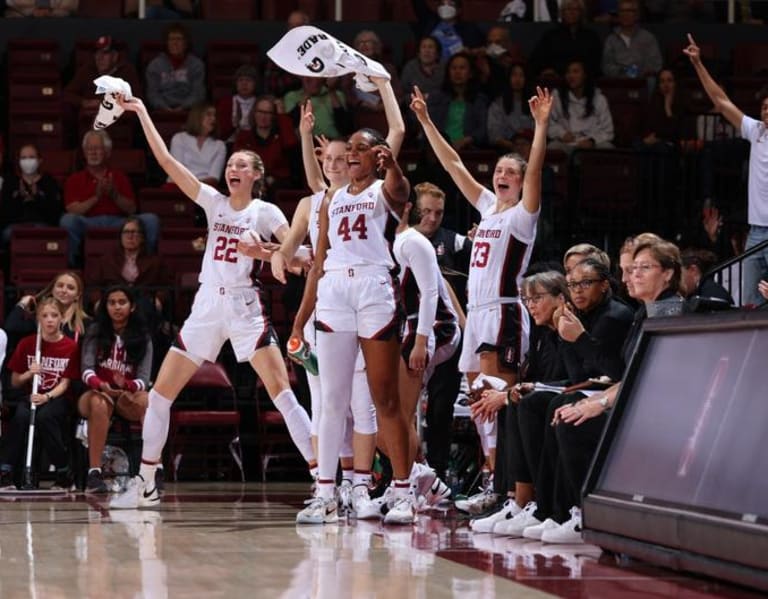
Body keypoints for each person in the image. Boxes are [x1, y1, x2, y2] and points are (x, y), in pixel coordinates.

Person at [108, 93, 315, 509]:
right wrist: (143, 110)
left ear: (257, 174)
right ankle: (146, 480)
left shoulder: (266, 211)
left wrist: (267, 253)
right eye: (231, 163)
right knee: (161, 394)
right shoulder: (213, 202)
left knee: (282, 394)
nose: (233, 168)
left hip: (244, 307)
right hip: (206, 306)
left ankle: (324, 481)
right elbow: (167, 162)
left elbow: (302, 257)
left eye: (242, 164)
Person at [411, 83, 553, 511]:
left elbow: (535, 173)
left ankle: (517, 493)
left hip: (506, 314)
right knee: (479, 406)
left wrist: (541, 124)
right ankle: (495, 484)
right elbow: (453, 165)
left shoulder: (523, 216)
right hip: (476, 315)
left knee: (501, 402)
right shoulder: (489, 207)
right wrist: (425, 120)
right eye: (499, 171)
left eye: (512, 172)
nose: (503, 176)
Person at [287, 79, 414, 525]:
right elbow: (318, 263)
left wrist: (392, 162)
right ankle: (326, 493)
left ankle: (402, 490)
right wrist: (300, 321)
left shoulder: (386, 188)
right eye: (349, 150)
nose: (353, 155)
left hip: (375, 288)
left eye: (362, 149)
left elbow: (402, 191)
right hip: (334, 291)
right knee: (331, 400)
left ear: (376, 156)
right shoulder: (330, 198)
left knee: (384, 399)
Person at [545, 239, 683, 543]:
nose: (632, 276)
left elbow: (651, 378)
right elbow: (633, 373)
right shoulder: (644, 313)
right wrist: (596, 399)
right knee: (566, 409)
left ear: (669, 274)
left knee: (573, 420)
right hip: (637, 406)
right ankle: (558, 512)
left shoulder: (670, 313)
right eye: (630, 269)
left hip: (659, 419)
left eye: (643, 268)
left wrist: (600, 402)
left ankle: (585, 515)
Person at [468, 269, 569, 534]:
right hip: (545, 395)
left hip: (566, 397)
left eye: (537, 298)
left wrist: (512, 393)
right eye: (527, 299)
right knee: (508, 403)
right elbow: (533, 378)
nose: (531, 306)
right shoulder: (542, 335)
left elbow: (572, 379)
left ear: (560, 298)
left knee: (520, 403)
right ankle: (512, 499)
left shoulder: (567, 330)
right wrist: (504, 391)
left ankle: (531, 501)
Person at [685, 34, 768, 306]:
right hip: (757, 230)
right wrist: (698, 63)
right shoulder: (756, 132)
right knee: (750, 303)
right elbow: (721, 102)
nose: (766, 111)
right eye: (764, 107)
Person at [392, 203, 459, 510]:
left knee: (399, 417)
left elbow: (432, 291)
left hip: (430, 328)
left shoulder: (411, 241)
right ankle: (417, 476)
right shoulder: (389, 241)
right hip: (410, 328)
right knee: (389, 416)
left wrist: (420, 341)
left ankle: (415, 481)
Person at [410, 182, 470, 477]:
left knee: (441, 406)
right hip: (410, 335)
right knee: (402, 407)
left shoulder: (454, 241)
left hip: (446, 335)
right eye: (426, 212)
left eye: (438, 213)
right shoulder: (401, 241)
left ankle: (439, 470)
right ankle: (402, 470)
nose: (432, 218)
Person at [78, 285, 153, 494]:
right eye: (112, 303)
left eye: (122, 302)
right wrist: (101, 385)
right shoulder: (95, 331)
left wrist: (126, 386)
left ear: (132, 306)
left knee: (148, 400)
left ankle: (154, 470)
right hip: (96, 392)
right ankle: (94, 473)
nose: (117, 307)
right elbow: (85, 370)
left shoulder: (143, 336)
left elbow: (144, 379)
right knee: (99, 404)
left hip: (126, 395)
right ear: (105, 306)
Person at [0, 297, 80, 491]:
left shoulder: (70, 346)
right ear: (38, 319)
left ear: (62, 318)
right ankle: (6, 472)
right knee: (20, 416)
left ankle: (63, 472)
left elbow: (65, 383)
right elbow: (14, 380)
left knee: (45, 417)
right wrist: (29, 373)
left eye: (54, 315)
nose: (50, 320)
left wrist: (47, 396)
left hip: (57, 398)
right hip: (31, 397)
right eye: (45, 316)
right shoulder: (28, 344)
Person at [59, 130, 160, 267]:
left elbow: (132, 209)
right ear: (84, 152)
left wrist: (114, 194)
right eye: (89, 149)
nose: (93, 152)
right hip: (88, 222)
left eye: (98, 148)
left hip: (118, 222)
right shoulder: (75, 179)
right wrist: (97, 197)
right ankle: (74, 266)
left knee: (151, 219)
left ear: (107, 152)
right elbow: (73, 210)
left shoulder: (119, 176)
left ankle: (147, 262)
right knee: (67, 220)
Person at [5, 271, 91, 351]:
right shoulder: (40, 319)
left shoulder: (86, 324)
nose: (64, 290)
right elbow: (11, 327)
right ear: (53, 290)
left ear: (78, 295)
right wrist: (22, 304)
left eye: (70, 288)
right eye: (60, 286)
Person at [0, 143, 63, 246]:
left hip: (43, 226)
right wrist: (19, 198)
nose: (27, 161)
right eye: (23, 158)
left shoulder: (48, 181)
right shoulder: (10, 182)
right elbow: (5, 215)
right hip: (15, 227)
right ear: (19, 161)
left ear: (39, 160)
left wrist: (37, 197)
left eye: (31, 157)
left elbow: (55, 214)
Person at [231, 95, 299, 191]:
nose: (263, 116)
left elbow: (291, 145)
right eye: (260, 112)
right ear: (254, 113)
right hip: (250, 184)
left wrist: (281, 115)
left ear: (273, 116)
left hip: (278, 186)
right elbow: (237, 162)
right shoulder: (244, 137)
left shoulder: (281, 137)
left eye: (268, 113)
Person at [548, 59, 614, 152]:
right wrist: (561, 134)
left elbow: (608, 131)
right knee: (552, 147)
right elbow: (548, 123)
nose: (571, 76)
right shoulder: (557, 96)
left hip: (592, 143)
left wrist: (592, 140)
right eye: (568, 72)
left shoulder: (599, 99)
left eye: (575, 72)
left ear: (585, 75)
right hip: (566, 142)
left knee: (607, 148)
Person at [426, 52, 488, 151]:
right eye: (454, 68)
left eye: (462, 68)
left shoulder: (479, 100)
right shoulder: (436, 97)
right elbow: (429, 124)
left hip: (468, 149)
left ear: (470, 73)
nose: (457, 72)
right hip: (439, 148)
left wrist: (466, 140)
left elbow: (482, 130)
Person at [527, 0, 603, 80]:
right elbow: (535, 61)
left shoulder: (591, 37)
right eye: (568, 9)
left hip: (585, 82)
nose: (571, 12)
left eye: (575, 9)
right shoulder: (551, 36)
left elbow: (596, 64)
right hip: (558, 81)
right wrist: (546, 70)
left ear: (581, 13)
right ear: (562, 13)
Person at [145, 23, 206, 112]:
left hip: (189, 111)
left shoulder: (196, 65)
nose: (175, 43)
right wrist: (164, 107)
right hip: (162, 111)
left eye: (179, 39)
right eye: (171, 39)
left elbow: (198, 93)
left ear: (186, 43)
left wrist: (183, 107)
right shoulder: (155, 66)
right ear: (166, 43)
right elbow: (152, 94)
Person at [168, 103, 227, 187]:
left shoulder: (219, 145)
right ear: (197, 117)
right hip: (177, 186)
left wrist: (195, 187)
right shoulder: (179, 138)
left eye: (215, 116)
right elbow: (176, 170)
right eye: (209, 115)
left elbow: (214, 178)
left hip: (204, 189)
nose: (213, 119)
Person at [601, 0, 663, 78]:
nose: (625, 14)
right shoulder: (611, 40)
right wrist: (624, 71)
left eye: (629, 11)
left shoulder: (648, 38)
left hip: (643, 83)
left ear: (637, 15)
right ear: (618, 15)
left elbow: (656, 65)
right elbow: (606, 66)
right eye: (622, 11)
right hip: (618, 83)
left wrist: (635, 72)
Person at [412, 0, 484, 62]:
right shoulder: (430, 22)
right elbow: (418, 4)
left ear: (459, 10)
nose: (445, 7)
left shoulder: (468, 29)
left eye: (450, 4)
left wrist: (470, 52)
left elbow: (479, 49)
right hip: (431, 65)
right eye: (442, 4)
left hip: (455, 67)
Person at [487, 63, 535, 154]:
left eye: (521, 75)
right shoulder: (497, 104)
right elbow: (493, 134)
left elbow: (538, 130)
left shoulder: (533, 103)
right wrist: (513, 146)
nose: (517, 79)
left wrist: (525, 146)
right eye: (514, 75)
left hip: (530, 149)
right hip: (506, 148)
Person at [284, 77, 352, 140]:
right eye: (308, 77)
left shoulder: (337, 94)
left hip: (336, 141)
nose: (314, 80)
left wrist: (331, 91)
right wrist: (308, 93)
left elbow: (345, 127)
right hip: (310, 144)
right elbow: (293, 121)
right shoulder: (291, 97)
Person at [216, 64, 261, 143]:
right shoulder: (225, 103)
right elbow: (220, 133)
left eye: (248, 80)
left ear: (255, 83)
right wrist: (234, 125)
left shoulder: (261, 103)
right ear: (235, 83)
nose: (244, 84)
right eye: (240, 80)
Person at [400, 36, 445, 101]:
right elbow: (403, 94)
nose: (427, 51)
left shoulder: (444, 68)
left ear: (437, 52)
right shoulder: (410, 68)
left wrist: (429, 97)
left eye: (430, 47)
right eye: (423, 47)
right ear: (418, 52)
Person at [4, 0, 77, 17]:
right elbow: (10, 2)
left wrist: (49, 10)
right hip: (19, 22)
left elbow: (72, 5)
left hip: (60, 23)